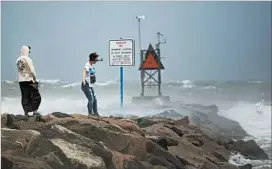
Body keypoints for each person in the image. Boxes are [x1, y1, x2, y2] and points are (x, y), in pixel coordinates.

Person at [16, 45, 41, 116]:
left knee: (25, 97)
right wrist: (34, 79)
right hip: (29, 80)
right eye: (29, 51)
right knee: (36, 97)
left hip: (21, 81)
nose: (29, 52)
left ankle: (26, 113)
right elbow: (32, 71)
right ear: (27, 51)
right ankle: (35, 112)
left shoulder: (17, 59)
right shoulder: (28, 59)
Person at [81, 52, 100, 116]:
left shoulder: (91, 65)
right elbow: (84, 71)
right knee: (91, 99)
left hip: (90, 85)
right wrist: (83, 80)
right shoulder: (87, 65)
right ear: (92, 59)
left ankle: (95, 113)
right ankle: (90, 114)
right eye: (96, 59)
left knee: (95, 99)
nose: (96, 61)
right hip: (86, 85)